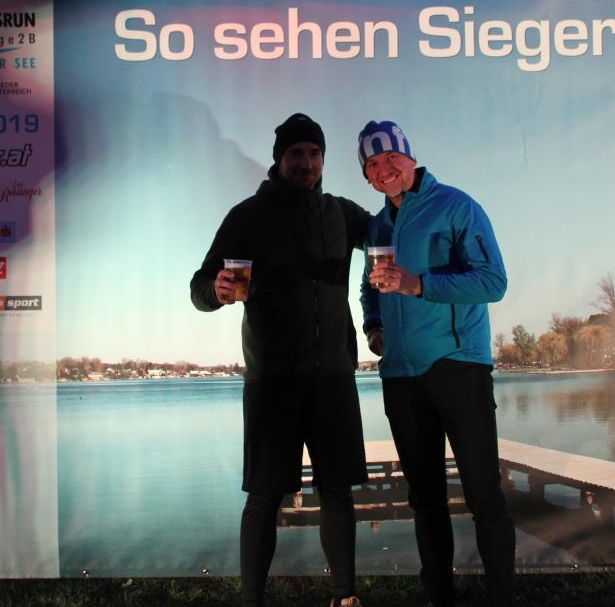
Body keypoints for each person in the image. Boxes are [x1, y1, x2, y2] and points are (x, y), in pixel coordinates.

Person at [190, 113, 370, 607]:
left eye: (314, 154)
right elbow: (200, 286)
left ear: (324, 160)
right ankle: (252, 599)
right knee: (265, 495)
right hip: (273, 382)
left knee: (337, 491)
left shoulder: (344, 214)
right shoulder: (247, 216)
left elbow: (391, 233)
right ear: (279, 160)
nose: (306, 163)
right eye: (296, 154)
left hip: (333, 378)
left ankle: (345, 597)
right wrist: (216, 290)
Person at [357, 120, 515, 606]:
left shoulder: (457, 206)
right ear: (366, 175)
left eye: (392, 158)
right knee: (425, 500)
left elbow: (493, 282)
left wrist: (419, 284)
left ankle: (502, 599)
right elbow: (368, 287)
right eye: (373, 164)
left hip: (458, 365)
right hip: (401, 378)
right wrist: (374, 327)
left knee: (483, 495)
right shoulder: (377, 226)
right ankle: (440, 597)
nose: (385, 170)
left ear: (410, 158)